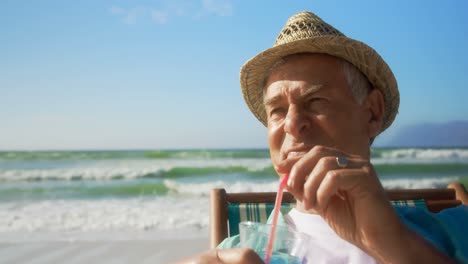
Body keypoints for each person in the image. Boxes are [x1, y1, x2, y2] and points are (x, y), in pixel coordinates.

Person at [177, 11, 467, 264]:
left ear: (372, 113)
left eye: (316, 101)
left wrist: (394, 244)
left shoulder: (457, 229)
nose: (291, 124)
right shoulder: (238, 253)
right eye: (277, 111)